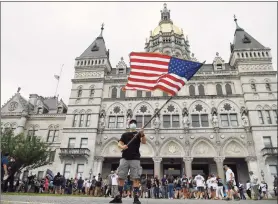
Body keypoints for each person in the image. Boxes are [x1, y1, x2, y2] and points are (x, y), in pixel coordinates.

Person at [109, 119, 146, 204]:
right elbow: (119, 143)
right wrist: (122, 147)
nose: (133, 124)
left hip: (135, 158)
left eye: (134, 123)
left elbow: (144, 142)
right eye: (131, 123)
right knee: (121, 177)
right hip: (124, 158)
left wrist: (142, 133)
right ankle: (118, 197)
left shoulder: (138, 134)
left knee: (136, 178)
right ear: (128, 125)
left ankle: (136, 198)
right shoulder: (125, 134)